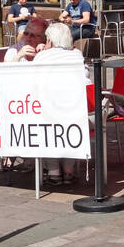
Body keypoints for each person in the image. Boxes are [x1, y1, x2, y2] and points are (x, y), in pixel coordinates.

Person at [31, 22, 89, 185]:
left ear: (50, 40)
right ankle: (69, 172)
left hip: (49, 110)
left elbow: (33, 80)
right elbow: (86, 75)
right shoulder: (77, 54)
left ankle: (53, 172)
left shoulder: (43, 56)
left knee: (45, 126)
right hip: (74, 110)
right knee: (70, 127)